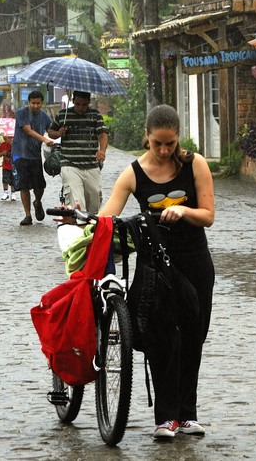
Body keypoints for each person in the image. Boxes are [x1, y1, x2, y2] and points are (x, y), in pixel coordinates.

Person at [97, 104, 215, 441]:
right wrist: (84, 220)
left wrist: (183, 210)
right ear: (146, 138)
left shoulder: (195, 164)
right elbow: (109, 215)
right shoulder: (134, 173)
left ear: (178, 139)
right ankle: (166, 418)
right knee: (164, 337)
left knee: (194, 335)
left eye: (170, 144)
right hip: (156, 266)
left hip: (195, 262)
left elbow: (208, 215)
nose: (164, 151)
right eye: (157, 144)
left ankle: (187, 414)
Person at [47, 90, 109, 213]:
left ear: (89, 102)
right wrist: (59, 133)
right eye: (77, 104)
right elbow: (50, 131)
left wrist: (102, 150)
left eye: (84, 104)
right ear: (73, 101)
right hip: (69, 164)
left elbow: (102, 134)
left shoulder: (95, 115)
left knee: (94, 199)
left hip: (91, 164)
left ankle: (90, 227)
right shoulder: (63, 115)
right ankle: (76, 225)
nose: (81, 107)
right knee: (76, 202)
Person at [13, 89, 56, 226]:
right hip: (20, 153)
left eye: (38, 103)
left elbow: (51, 130)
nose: (36, 106)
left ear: (42, 103)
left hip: (35, 155)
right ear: (29, 102)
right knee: (23, 185)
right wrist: (45, 139)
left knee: (39, 185)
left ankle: (37, 202)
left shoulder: (44, 116)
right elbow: (28, 130)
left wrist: (60, 132)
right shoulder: (21, 113)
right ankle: (28, 215)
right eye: (33, 103)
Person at [0, 134, 14, 201]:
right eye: (4, 137)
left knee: (13, 180)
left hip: (13, 165)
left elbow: (17, 151)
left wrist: (10, 143)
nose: (5, 138)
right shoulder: (2, 145)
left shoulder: (14, 144)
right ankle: (5, 192)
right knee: (5, 179)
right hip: (5, 165)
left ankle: (13, 193)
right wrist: (2, 153)